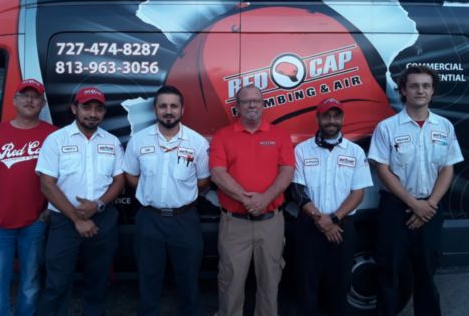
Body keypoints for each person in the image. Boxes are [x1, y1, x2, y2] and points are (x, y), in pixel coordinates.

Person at [368, 65, 464, 316]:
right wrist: (414, 203)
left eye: (426, 86)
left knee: (427, 274)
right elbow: (382, 169)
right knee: (389, 273)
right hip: (395, 209)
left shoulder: (444, 126)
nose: (420, 90)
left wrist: (428, 204)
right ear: (403, 91)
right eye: (414, 86)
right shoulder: (387, 127)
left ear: (432, 91)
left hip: (430, 209)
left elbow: (447, 169)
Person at [0, 79, 56, 316]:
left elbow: (62, 179)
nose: (29, 100)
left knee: (30, 284)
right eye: (24, 95)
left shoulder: (53, 135)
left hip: (34, 224)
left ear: (42, 103)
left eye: (35, 96)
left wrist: (48, 211)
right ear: (13, 100)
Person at [35, 87, 125, 316]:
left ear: (104, 113)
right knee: (57, 283)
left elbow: (119, 181)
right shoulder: (55, 139)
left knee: (98, 281)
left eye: (98, 109)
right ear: (74, 108)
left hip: (103, 219)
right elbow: (47, 184)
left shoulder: (112, 142)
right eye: (86, 107)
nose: (92, 114)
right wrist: (77, 218)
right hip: (64, 222)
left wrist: (98, 205)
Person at [122, 85, 210, 316]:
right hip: (149, 219)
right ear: (155, 109)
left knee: (189, 278)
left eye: (173, 106)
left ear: (182, 109)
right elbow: (130, 174)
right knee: (148, 278)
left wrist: (179, 194)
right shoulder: (139, 140)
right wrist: (149, 191)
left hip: (185, 220)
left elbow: (203, 181)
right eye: (163, 106)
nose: (168, 111)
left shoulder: (197, 142)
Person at [209, 84, 295, 316]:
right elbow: (217, 173)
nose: (252, 105)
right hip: (235, 223)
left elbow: (287, 171)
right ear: (237, 107)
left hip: (271, 223)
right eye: (246, 101)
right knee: (231, 281)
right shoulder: (223, 136)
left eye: (256, 100)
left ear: (263, 104)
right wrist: (248, 200)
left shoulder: (280, 135)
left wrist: (264, 199)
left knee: (270, 281)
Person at [292, 98, 373, 316]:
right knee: (306, 287)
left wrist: (333, 219)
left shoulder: (355, 152)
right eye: (326, 115)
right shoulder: (301, 150)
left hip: (342, 227)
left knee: (339, 286)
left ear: (342, 119)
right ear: (318, 118)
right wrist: (322, 221)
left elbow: (358, 193)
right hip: (309, 227)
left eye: (336, 116)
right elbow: (298, 191)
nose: (331, 120)